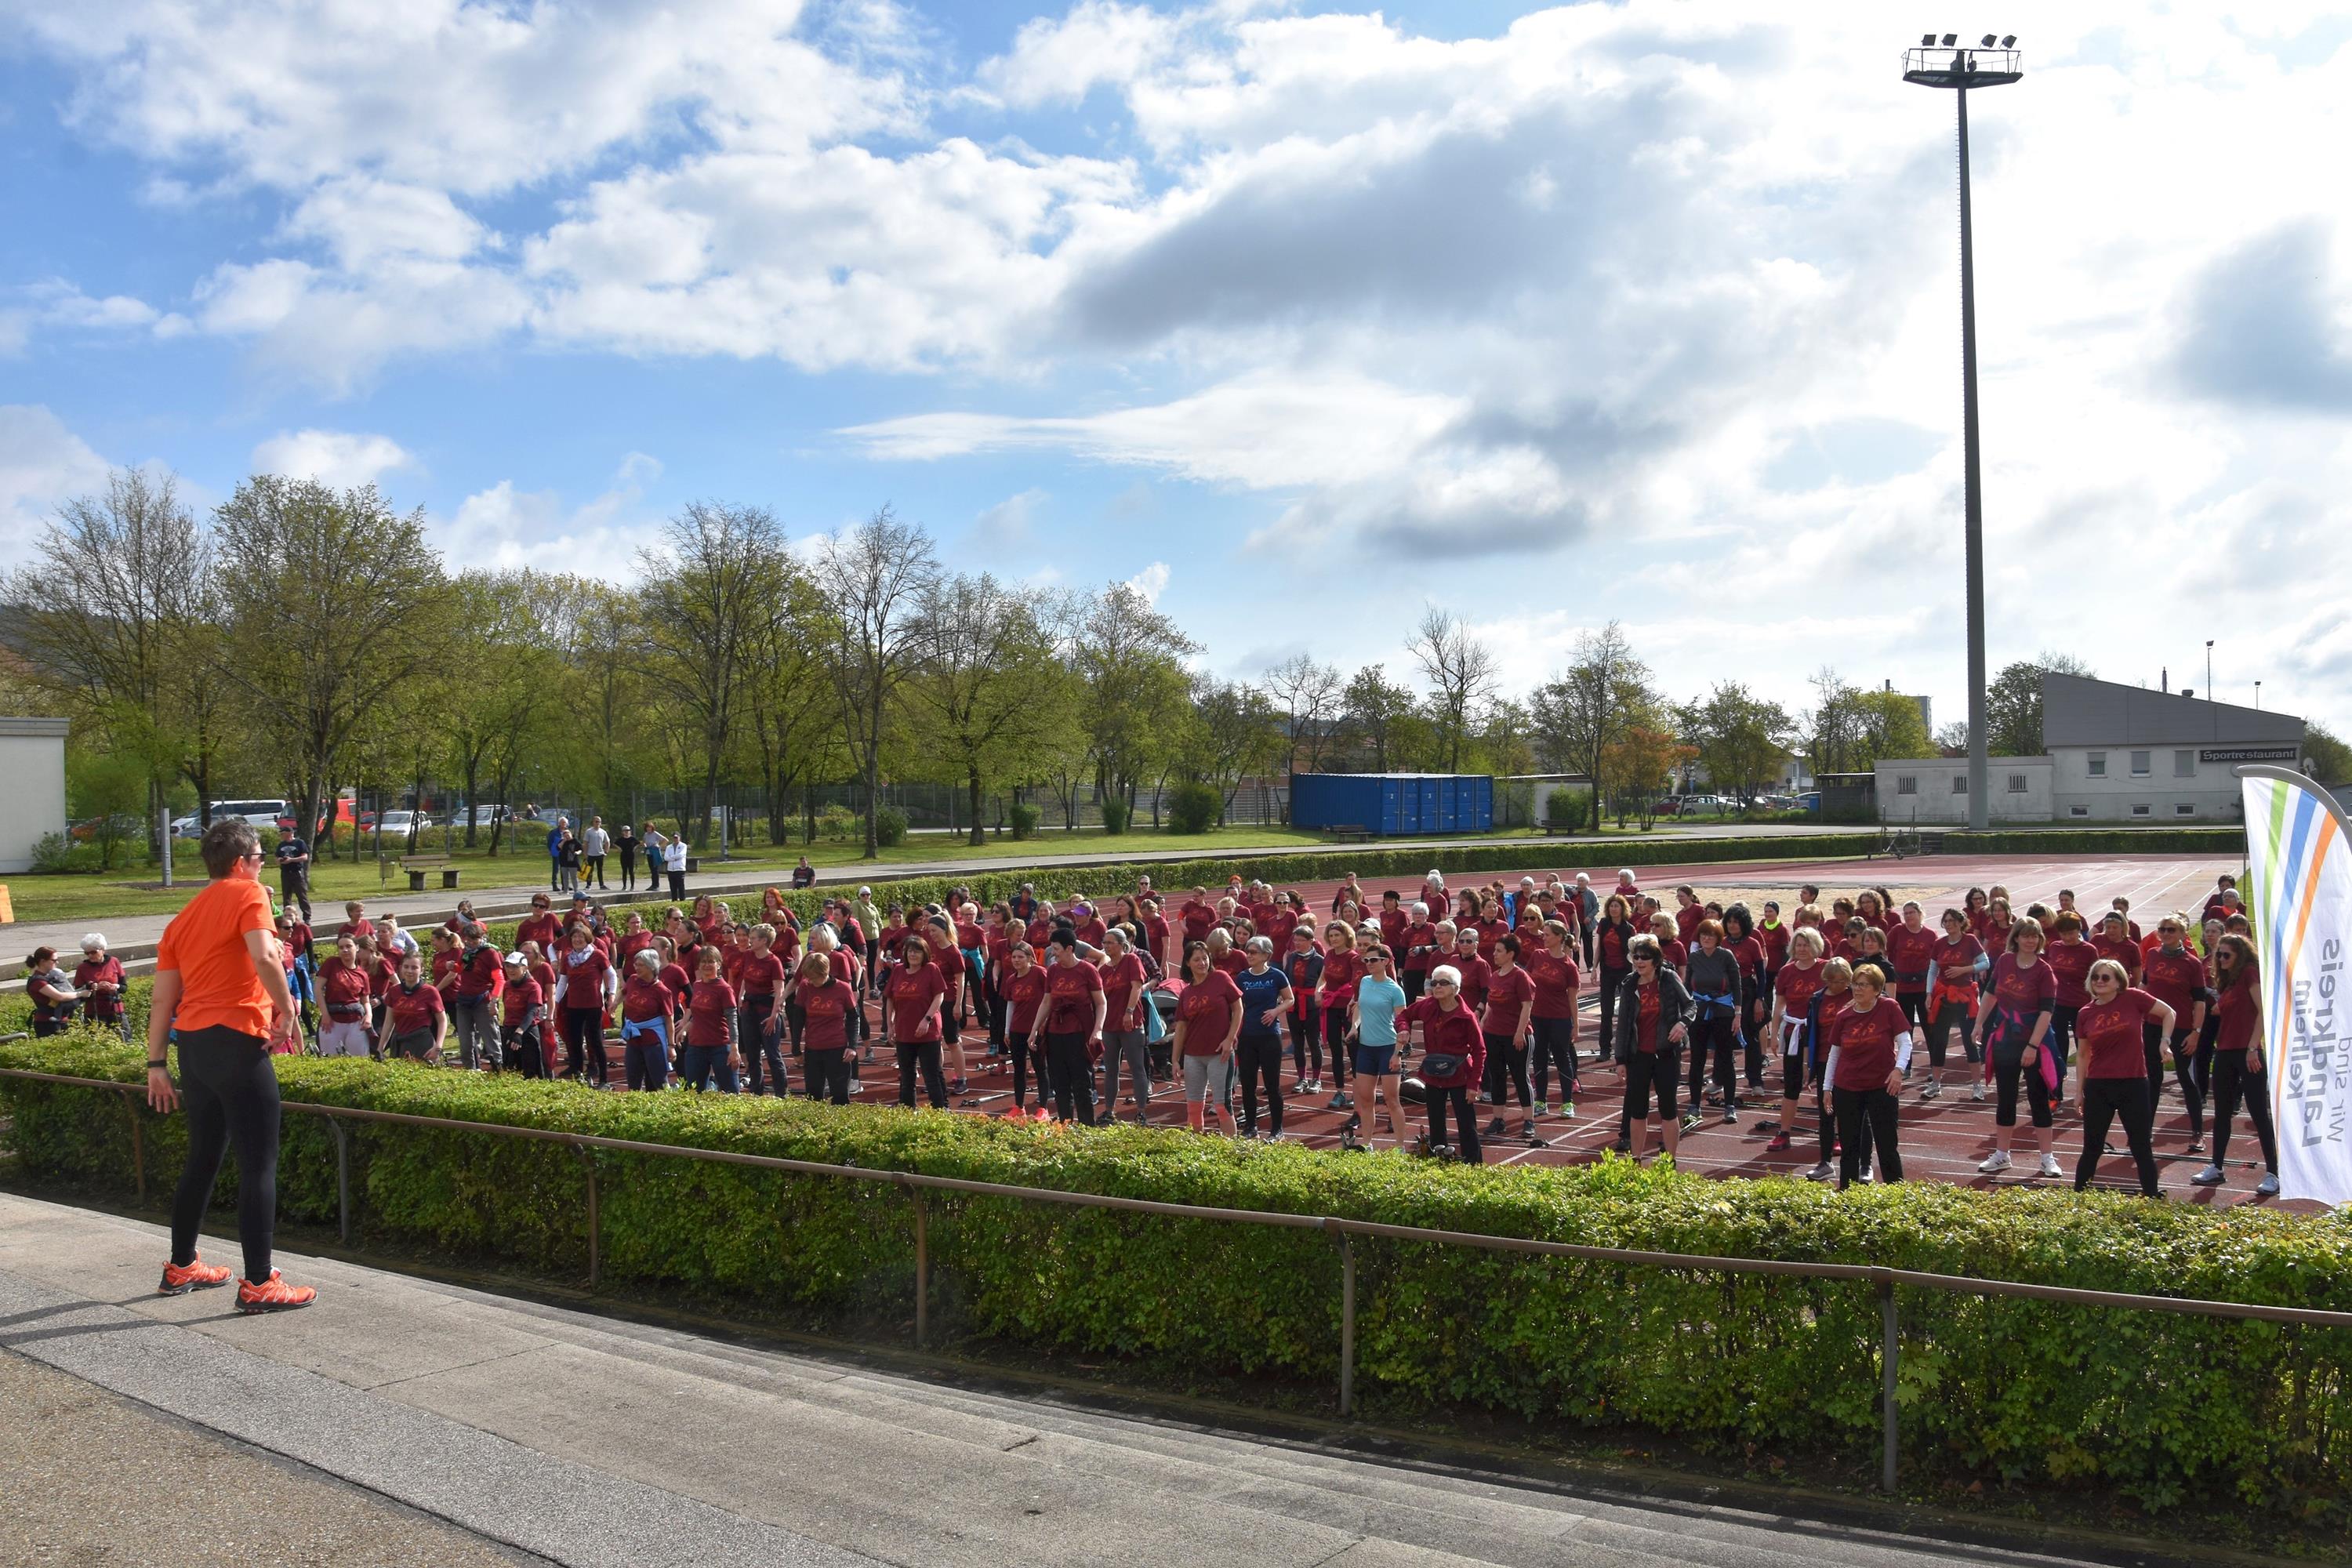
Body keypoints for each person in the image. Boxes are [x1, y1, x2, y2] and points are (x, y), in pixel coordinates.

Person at [144, 820, 312, 1311]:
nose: (264, 866)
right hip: (237, 1040)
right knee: (259, 1163)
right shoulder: (250, 892)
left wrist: (156, 1062)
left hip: (193, 1047)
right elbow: (264, 955)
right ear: (242, 864)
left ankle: (181, 1266)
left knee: (203, 1157)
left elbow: (161, 1000)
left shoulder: (183, 918)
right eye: (261, 857)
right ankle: (259, 1282)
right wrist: (288, 1008)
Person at [2191, 935, 2281, 1195]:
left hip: (2248, 1052)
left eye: (2226, 955)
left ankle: (2274, 1173)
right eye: (2219, 955)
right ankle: (2216, 1167)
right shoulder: (2228, 982)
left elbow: (2262, 1010)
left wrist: (2253, 1046)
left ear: (2240, 955)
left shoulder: (2249, 973)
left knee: (2257, 1113)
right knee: (2222, 1113)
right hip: (2226, 1052)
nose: (2221, 959)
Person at [2071, 960, 2170, 1197]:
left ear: (2118, 981)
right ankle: (2077, 1199)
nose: (2099, 982)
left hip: (2133, 1083)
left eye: (2106, 977)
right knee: (2092, 1148)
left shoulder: (2133, 998)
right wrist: (2078, 1092)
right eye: (2095, 977)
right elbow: (2083, 1055)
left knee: (2141, 1147)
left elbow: (2169, 1013)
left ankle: (2151, 1198)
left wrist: (2164, 1042)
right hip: (2099, 1085)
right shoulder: (2085, 1013)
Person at [1975, 919, 2062, 1180]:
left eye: (2035, 936)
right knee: (2006, 1097)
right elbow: (1990, 995)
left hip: (2034, 1039)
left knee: (2038, 1099)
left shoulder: (2045, 971)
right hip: (2006, 1039)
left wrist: (2033, 1046)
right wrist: (1979, 1024)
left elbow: (2047, 1012)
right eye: (2025, 936)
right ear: (2017, 938)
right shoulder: (2004, 961)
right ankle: (2002, 1155)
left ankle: (2047, 1158)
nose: (2030, 940)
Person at [1826, 967, 1911, 1190]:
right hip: (1847, 1087)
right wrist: (1828, 1088)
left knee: (1887, 1146)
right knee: (1849, 1148)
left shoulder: (1889, 1008)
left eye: (1864, 985)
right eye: (1855, 984)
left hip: (1881, 1086)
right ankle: (1848, 1196)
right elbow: (1834, 1054)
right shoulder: (1843, 1016)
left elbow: (1906, 1042)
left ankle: (1898, 1196)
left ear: (1877, 989)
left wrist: (1898, 1070)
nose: (1858, 989)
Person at [1613, 935, 1691, 1166]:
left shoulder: (1668, 979)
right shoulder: (1628, 984)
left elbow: (1691, 1004)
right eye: (1636, 957)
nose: (1639, 961)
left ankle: (1671, 1160)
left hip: (1667, 1053)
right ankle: (1636, 1159)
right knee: (1638, 1111)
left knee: (1668, 1109)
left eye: (1644, 957)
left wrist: (1682, 1023)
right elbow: (1624, 1023)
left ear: (1655, 961)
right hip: (1639, 1056)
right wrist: (1620, 1059)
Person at [2141, 914, 2213, 1153]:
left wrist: (2196, 1033)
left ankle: (2197, 1133)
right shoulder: (2152, 955)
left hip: (2182, 1028)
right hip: (2153, 1025)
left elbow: (2200, 1003)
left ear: (2183, 933)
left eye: (2172, 929)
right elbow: (2144, 987)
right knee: (2153, 1079)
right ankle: (2146, 1130)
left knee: (2186, 1078)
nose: (2166, 933)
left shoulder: (2191, 963)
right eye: (2162, 929)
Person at [1407, 964, 1486, 1163]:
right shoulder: (1427, 1006)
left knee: (1466, 1124)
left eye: (1444, 983)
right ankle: (1439, 1161)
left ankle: (1474, 1164)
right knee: (1435, 1121)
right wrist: (1403, 1029)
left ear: (1455, 988)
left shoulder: (1467, 1017)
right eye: (1434, 983)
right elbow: (1405, 1015)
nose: (1437, 987)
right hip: (1434, 1075)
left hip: (1460, 1075)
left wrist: (1474, 1085)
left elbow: (1479, 1051)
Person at [1171, 943, 1241, 1134]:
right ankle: (1197, 1151)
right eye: (1197, 959)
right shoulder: (1186, 992)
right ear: (1188, 963)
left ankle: (1230, 1151)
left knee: (1222, 1106)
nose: (1202, 963)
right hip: (1193, 1055)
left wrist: (1230, 1039)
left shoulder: (1220, 978)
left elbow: (1238, 1008)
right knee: (1193, 1107)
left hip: (1220, 1054)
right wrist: (1175, 1060)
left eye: (1205, 958)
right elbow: (1181, 1028)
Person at [1921, 908, 1987, 1102]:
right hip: (1943, 997)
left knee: (1969, 1041)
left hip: (1965, 997)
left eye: (1951, 921)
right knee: (1939, 1041)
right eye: (1945, 921)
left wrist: (1964, 970)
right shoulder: (1940, 943)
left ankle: (1976, 1086)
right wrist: (1928, 993)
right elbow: (1932, 970)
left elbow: (1986, 963)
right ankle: (1935, 1084)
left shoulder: (1970, 941)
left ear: (1960, 923)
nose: (1948, 924)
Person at [1682, 920, 1742, 1127]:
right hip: (1699, 1013)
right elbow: (1686, 988)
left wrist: (1738, 1014)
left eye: (1711, 935)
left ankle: (1730, 1106)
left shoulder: (1726, 956)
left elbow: (1736, 986)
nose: (1706, 938)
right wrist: (1684, 1016)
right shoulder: (1694, 958)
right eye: (1703, 934)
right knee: (1696, 1060)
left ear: (1718, 938)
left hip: (1723, 1012)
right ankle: (1694, 1105)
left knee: (1726, 1059)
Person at [1347, 946, 1408, 1149]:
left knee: (1392, 1100)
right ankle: (1368, 1144)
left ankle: (1400, 1147)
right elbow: (1359, 1008)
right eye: (1366, 960)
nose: (1369, 964)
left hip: (1388, 1047)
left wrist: (1397, 1053)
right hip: (1366, 1048)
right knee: (1366, 1100)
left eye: (1373, 960)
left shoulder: (1395, 991)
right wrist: (1354, 1027)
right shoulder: (1364, 982)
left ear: (1386, 961)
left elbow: (1403, 1024)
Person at [1232, 936, 1293, 1139]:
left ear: (1266, 954)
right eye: (1248, 951)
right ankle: (1251, 1126)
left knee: (1272, 1085)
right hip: (1247, 1037)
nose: (1249, 955)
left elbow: (1290, 999)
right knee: (1248, 1084)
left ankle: (1277, 1130)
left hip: (1269, 1037)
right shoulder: (1242, 978)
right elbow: (1235, 1006)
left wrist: (1276, 1012)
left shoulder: (1276, 976)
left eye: (1254, 952)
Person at [1479, 934, 1537, 1142]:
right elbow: (1490, 1004)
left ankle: (1529, 1121)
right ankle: (1498, 1119)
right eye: (1494, 950)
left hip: (1516, 1036)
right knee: (1497, 1077)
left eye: (1499, 951)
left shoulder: (1520, 976)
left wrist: (1520, 1032)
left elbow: (1527, 1006)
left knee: (1520, 1077)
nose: (1494, 954)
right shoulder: (1495, 975)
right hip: (1494, 1034)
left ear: (1511, 954)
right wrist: (1483, 1023)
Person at [887, 930, 951, 1109]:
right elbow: (890, 999)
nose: (913, 954)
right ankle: (908, 1108)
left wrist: (927, 1019)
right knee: (906, 1074)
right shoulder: (899, 971)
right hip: (904, 1031)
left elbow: (939, 996)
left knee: (931, 1073)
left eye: (917, 951)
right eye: (910, 951)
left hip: (927, 1031)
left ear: (924, 953)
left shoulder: (931, 970)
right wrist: (890, 1026)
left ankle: (941, 1108)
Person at [1525, 920, 1581, 1118]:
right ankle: (1541, 1101)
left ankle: (1567, 1103)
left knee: (1561, 1058)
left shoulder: (1569, 966)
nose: (1544, 937)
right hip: (1538, 1017)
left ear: (1559, 937)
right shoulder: (1537, 956)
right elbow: (1527, 982)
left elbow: (1573, 998)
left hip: (1560, 1018)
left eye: (1547, 935)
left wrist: (1576, 1025)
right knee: (1539, 1058)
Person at [1097, 927, 1152, 1126]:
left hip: (1131, 1023)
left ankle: (1141, 1112)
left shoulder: (1131, 961)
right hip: (1110, 1025)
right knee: (1111, 1069)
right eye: (1104, 943)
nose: (1106, 946)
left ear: (1121, 945)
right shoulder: (1103, 970)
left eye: (1110, 942)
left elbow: (1137, 986)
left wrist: (1129, 1012)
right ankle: (1109, 1111)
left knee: (1137, 1067)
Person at [552, 924, 615, 1086]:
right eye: (574, 937)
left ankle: (603, 1079)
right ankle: (578, 1074)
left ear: (587, 938)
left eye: (581, 937)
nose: (577, 940)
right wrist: (556, 1002)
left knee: (595, 1041)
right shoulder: (567, 959)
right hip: (574, 1006)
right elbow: (563, 982)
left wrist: (611, 995)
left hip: (593, 1005)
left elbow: (612, 976)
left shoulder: (598, 955)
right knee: (575, 1041)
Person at [792, 952, 856, 1102]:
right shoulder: (805, 987)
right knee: (813, 1097)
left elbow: (854, 1017)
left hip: (837, 1049)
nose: (811, 981)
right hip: (813, 1049)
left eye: (815, 978)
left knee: (839, 1097)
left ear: (825, 972)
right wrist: (796, 1049)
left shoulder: (843, 989)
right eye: (809, 978)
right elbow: (798, 1019)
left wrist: (852, 1046)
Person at [996, 938, 1051, 1112]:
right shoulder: (1011, 980)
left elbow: (1050, 998)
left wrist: (1045, 1022)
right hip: (1017, 1029)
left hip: (1037, 1029)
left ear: (1030, 958)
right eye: (1014, 957)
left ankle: (1043, 1108)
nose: (1017, 960)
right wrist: (1007, 1030)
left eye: (1020, 957)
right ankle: (1019, 1106)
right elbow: (1010, 1005)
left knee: (1040, 1067)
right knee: (1018, 1069)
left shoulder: (1040, 973)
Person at [735, 924, 789, 1096]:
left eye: (753, 938)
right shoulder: (749, 956)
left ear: (764, 941)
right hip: (749, 1009)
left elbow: (779, 992)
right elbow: (745, 978)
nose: (749, 941)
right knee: (752, 1055)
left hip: (767, 1010)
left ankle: (781, 1093)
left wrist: (775, 1016)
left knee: (773, 1055)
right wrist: (741, 996)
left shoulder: (774, 962)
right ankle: (756, 1092)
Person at [448, 920, 504, 1070]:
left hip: (483, 1000)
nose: (470, 942)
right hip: (464, 1000)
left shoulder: (491, 953)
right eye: (467, 939)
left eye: (474, 939)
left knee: (490, 1039)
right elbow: (463, 969)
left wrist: (494, 1000)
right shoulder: (466, 952)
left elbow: (499, 979)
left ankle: (498, 1070)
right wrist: (453, 967)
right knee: (465, 1042)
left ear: (481, 937)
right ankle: (470, 1071)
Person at [375, 951, 447, 1062]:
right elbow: (389, 1022)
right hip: (399, 1042)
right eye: (406, 967)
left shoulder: (430, 991)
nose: (409, 971)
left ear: (421, 970)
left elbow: (442, 1021)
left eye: (414, 968)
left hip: (422, 1041)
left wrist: (438, 1047)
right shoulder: (394, 991)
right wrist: (380, 1048)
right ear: (400, 968)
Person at [619, 950, 675, 1091]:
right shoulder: (633, 980)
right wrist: (614, 1003)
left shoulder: (662, 991)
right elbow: (624, 992)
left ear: (651, 967)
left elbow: (669, 1020)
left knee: (659, 1082)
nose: (636, 968)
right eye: (636, 964)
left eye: (641, 965)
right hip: (633, 1039)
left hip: (652, 1040)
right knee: (633, 1082)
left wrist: (671, 1046)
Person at [74, 934, 129, 1040]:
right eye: (87, 953)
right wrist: (93, 987)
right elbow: (78, 993)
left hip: (115, 1009)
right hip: (94, 1011)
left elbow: (124, 987)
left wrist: (115, 986)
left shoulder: (114, 962)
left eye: (93, 952)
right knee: (97, 1041)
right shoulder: (82, 968)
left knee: (125, 1039)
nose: (90, 955)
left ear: (103, 950)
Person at [23, 946, 78, 1036]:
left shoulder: (50, 977)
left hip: (61, 1020)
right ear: (43, 961)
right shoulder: (38, 981)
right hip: (47, 1023)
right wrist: (80, 994)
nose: (57, 962)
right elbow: (60, 997)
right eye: (54, 960)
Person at [274, 825, 312, 922]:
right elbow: (276, 857)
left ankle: (307, 917)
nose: (282, 836)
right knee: (286, 896)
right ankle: (288, 918)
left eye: (284, 834)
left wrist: (292, 860)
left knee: (301, 896)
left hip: (297, 872)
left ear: (290, 833)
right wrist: (280, 860)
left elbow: (305, 857)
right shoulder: (281, 844)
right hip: (285, 872)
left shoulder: (299, 843)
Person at [583, 815, 610, 890]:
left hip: (600, 854)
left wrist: (606, 852)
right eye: (596, 821)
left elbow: (607, 842)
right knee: (589, 870)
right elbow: (585, 843)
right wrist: (585, 854)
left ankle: (601, 885)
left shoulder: (603, 832)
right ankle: (588, 885)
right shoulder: (589, 831)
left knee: (600, 870)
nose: (598, 823)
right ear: (593, 822)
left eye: (599, 822)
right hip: (591, 854)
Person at [546, 815, 570, 892]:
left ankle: (565, 885)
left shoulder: (568, 832)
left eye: (565, 823)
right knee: (556, 869)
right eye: (562, 822)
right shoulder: (553, 832)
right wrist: (550, 850)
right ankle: (555, 885)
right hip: (556, 852)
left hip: (565, 853)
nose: (564, 824)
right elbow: (550, 842)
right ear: (559, 823)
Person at [664, 832, 688, 900]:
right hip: (671, 870)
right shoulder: (669, 847)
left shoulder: (683, 846)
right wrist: (674, 858)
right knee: (672, 887)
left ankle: (682, 900)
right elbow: (666, 857)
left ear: (679, 838)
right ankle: (674, 900)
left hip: (680, 869)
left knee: (680, 886)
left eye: (677, 837)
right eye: (674, 838)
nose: (675, 839)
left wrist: (671, 857)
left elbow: (681, 855)